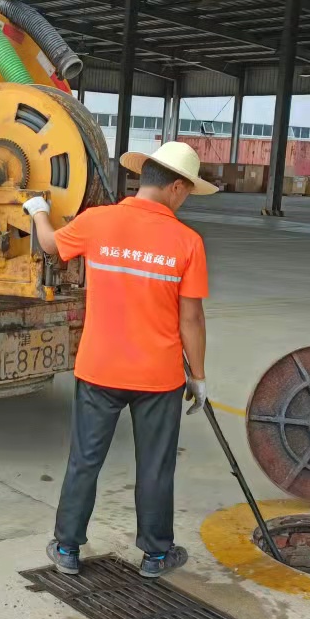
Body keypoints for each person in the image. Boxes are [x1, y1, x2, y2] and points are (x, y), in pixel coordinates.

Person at [24, 141, 216, 578]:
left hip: (99, 369)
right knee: (154, 466)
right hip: (158, 375)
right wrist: (199, 376)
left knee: (85, 460)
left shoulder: (98, 221)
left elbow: (51, 245)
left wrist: (38, 209)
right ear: (177, 189)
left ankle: (68, 548)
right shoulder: (188, 242)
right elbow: (192, 318)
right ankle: (155, 554)